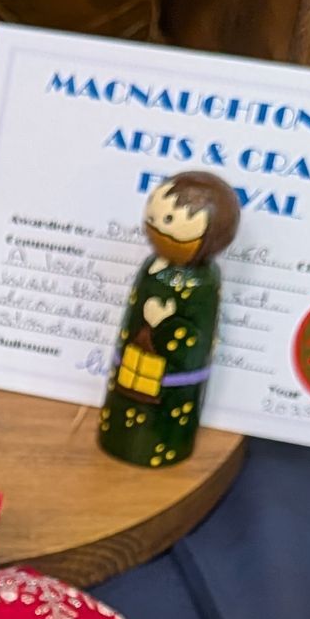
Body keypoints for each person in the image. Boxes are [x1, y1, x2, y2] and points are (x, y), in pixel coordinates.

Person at [97, 170, 241, 470]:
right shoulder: (152, 267)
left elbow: (193, 341)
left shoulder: (202, 283)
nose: (156, 226)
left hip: (171, 388)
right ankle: (118, 441)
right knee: (124, 407)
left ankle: (158, 447)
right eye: (155, 216)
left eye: (170, 222)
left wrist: (163, 324)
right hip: (130, 371)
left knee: (161, 418)